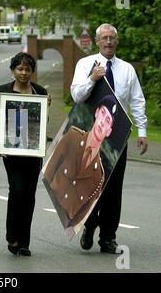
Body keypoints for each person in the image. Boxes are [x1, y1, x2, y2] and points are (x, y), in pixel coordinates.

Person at [71, 23, 148, 254]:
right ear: (97, 41)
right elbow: (76, 95)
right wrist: (93, 78)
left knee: (113, 190)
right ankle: (89, 226)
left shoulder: (127, 69)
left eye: (112, 38)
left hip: (117, 138)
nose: (108, 42)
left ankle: (108, 238)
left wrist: (142, 132)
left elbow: (137, 101)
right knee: (93, 185)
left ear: (117, 40)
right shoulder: (85, 64)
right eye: (104, 38)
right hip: (90, 137)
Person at [0, 52, 49, 256]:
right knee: (17, 190)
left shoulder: (40, 92)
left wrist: (46, 108)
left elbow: (41, 124)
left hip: (33, 152)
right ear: (13, 70)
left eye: (27, 69)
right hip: (12, 152)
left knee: (29, 195)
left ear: (32, 71)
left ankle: (24, 242)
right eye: (20, 68)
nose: (24, 73)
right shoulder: (3, 91)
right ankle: (12, 236)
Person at [43, 95, 119, 229]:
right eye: (102, 113)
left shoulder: (99, 177)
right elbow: (49, 172)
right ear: (96, 113)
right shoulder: (72, 137)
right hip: (49, 204)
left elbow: (81, 214)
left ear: (109, 131)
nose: (102, 122)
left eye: (108, 120)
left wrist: (69, 224)